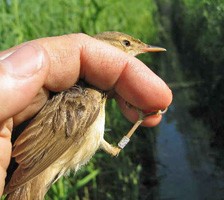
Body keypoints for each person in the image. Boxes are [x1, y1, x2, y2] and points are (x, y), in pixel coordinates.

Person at [0, 33, 172, 196]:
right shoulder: (88, 97)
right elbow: (112, 150)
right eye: (126, 43)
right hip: (36, 163)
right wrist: (141, 117)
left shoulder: (91, 93)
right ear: (104, 45)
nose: (133, 47)